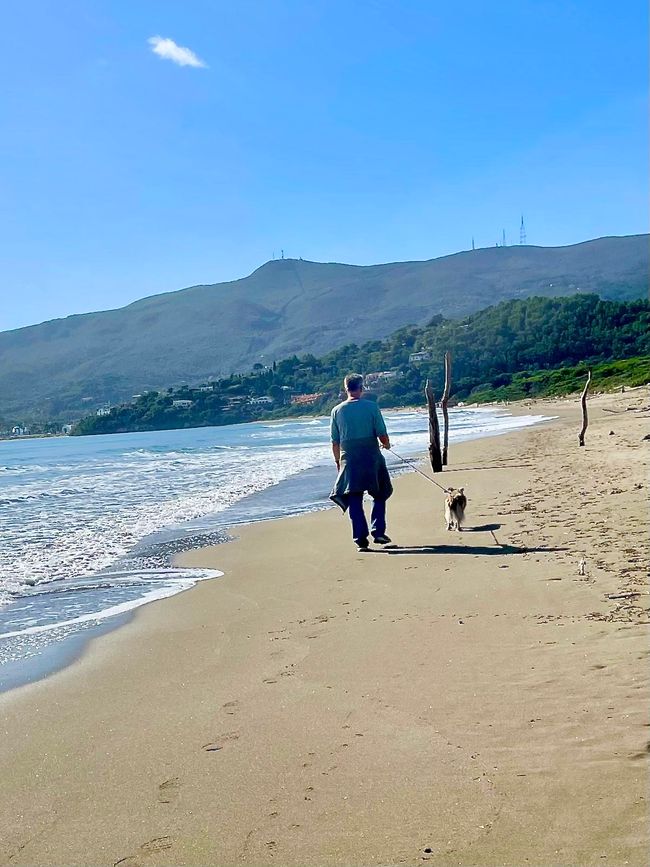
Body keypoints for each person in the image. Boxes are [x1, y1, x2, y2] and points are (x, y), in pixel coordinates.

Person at [329, 373, 393, 550]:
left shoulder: (336, 411)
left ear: (346, 388)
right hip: (371, 457)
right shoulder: (371, 407)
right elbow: (382, 434)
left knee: (354, 499)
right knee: (380, 494)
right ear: (361, 387)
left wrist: (337, 462)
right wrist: (386, 444)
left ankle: (360, 540)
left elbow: (335, 442)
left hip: (349, 459)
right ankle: (378, 531)